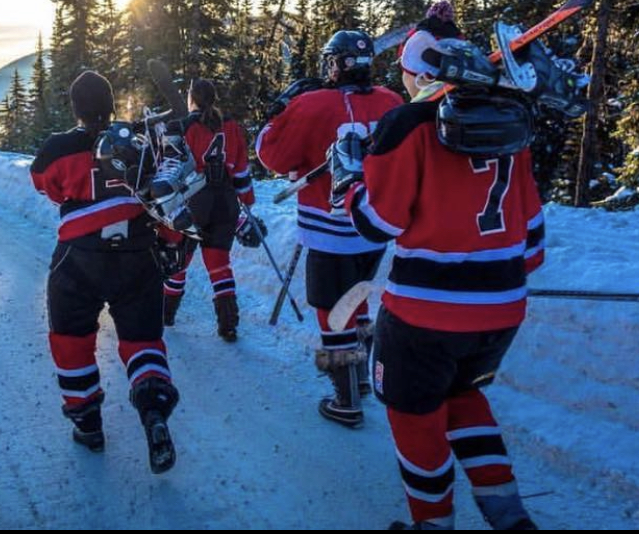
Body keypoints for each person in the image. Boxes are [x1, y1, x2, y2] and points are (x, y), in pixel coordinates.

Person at [331, 31, 555, 529]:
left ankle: (432, 523)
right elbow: (534, 243)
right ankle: (509, 514)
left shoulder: (408, 125)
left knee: (414, 419)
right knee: (463, 397)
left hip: (422, 315)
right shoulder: (509, 123)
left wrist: (349, 179)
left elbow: (376, 224)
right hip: (501, 310)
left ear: (419, 74)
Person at [29, 70, 180, 474]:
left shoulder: (58, 147)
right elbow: (160, 193)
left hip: (79, 254)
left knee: (70, 338)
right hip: (137, 249)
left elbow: (44, 184)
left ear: (76, 108)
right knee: (142, 337)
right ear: (112, 104)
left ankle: (87, 423)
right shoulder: (139, 140)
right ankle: (153, 409)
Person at [256, 30, 404, 427]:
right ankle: (361, 379)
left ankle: (346, 399)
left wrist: (279, 112)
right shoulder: (392, 101)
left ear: (336, 64)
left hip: (329, 228)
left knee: (330, 311)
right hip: (372, 227)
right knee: (356, 301)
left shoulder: (311, 104)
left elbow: (271, 155)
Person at [161, 78, 262, 342]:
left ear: (191, 98)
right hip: (225, 202)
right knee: (219, 264)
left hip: (193, 202)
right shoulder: (231, 126)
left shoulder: (181, 127)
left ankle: (166, 314)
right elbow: (240, 170)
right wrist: (246, 202)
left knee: (179, 262)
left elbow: (169, 172)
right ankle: (228, 324)